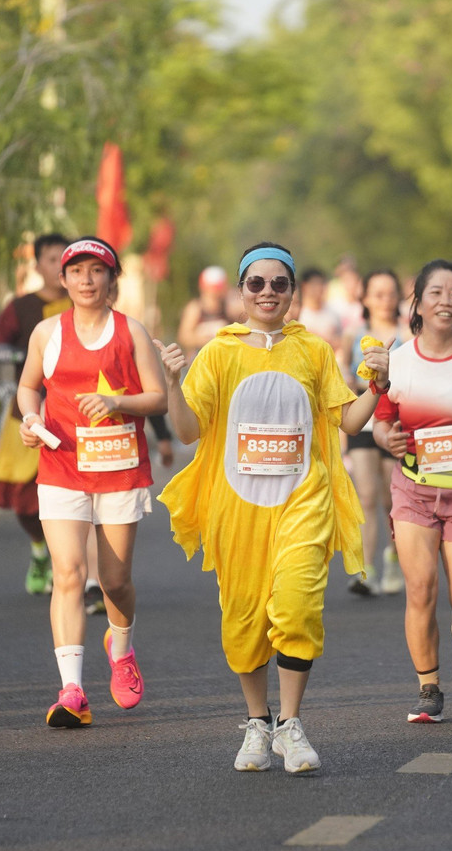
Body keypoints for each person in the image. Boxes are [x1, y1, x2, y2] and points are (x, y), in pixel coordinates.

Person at [157, 242, 387, 774]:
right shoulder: (218, 352)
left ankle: (291, 723)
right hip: (237, 508)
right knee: (244, 621)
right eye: (256, 283)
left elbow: (350, 423)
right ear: (240, 291)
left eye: (278, 284)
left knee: (298, 604)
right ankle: (257, 724)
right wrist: (172, 384)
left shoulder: (313, 351)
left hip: (303, 497)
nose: (267, 293)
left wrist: (379, 386)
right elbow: (189, 432)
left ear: (293, 293)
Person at [15, 237, 167, 727]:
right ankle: (72, 689)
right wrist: (29, 417)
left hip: (120, 468)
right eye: (76, 271)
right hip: (62, 467)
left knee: (115, 581)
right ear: (63, 280)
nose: (86, 280)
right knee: (68, 573)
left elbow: (157, 398)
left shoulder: (131, 332)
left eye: (96, 271)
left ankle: (120, 648)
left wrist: (118, 403)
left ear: (111, 279)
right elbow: (27, 385)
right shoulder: (47, 332)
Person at [372, 260, 452, 723]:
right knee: (420, 589)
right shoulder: (398, 360)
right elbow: (381, 423)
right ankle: (428, 687)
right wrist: (390, 440)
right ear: (418, 302)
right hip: (414, 490)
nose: (446, 301)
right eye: (436, 293)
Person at [0, 232, 71, 596]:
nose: (58, 267)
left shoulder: (83, 305)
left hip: (71, 414)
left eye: (64, 259)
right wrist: (22, 366)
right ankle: (40, 551)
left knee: (69, 493)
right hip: (28, 412)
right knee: (23, 496)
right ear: (37, 265)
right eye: (51, 259)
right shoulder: (20, 307)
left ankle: (66, 562)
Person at [341, 268, 409, 596]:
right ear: (364, 298)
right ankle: (364, 571)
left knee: (390, 500)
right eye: (377, 294)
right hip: (362, 421)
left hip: (395, 424)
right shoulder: (354, 334)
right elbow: (342, 378)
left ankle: (395, 557)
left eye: (390, 293)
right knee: (366, 496)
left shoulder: (409, 333)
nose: (384, 300)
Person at [177, 266, 235, 357]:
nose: (214, 293)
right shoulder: (195, 309)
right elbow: (184, 337)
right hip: (199, 359)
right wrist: (210, 340)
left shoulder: (228, 308)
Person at [296, 267, 344, 346]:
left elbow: (340, 340)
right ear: (304, 286)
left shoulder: (333, 313)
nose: (319, 288)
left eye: (322, 284)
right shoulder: (299, 313)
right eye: (314, 284)